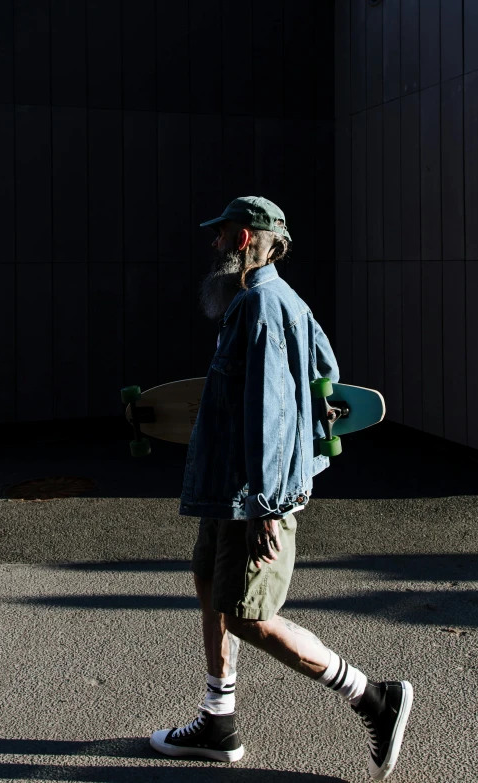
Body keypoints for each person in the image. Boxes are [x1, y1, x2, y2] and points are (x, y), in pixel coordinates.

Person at [150, 197, 413, 780]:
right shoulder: (280, 303)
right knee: (209, 587)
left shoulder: (261, 306)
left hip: (253, 495)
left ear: (244, 238)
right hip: (229, 488)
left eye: (220, 235)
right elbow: (328, 379)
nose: (213, 245)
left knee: (248, 615)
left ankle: (374, 697)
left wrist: (269, 503)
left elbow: (271, 410)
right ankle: (218, 722)